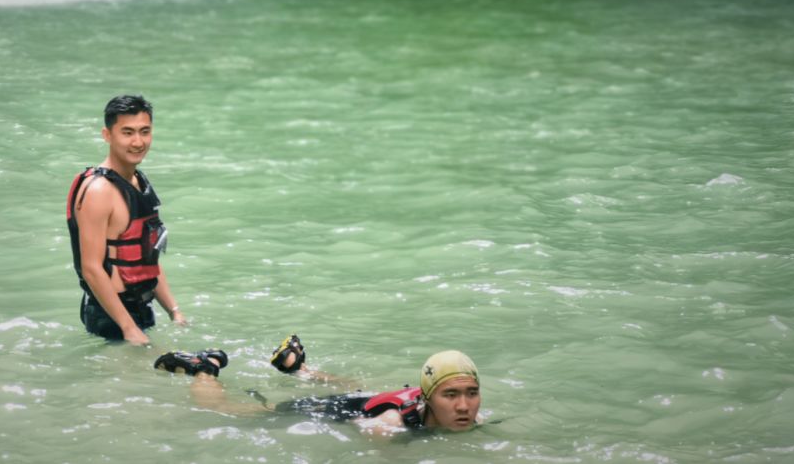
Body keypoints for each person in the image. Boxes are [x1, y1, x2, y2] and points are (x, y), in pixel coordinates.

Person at [153, 335, 482, 434]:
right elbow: (363, 433)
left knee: (359, 385)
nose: (464, 406)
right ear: (427, 397)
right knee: (227, 411)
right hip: (335, 410)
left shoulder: (470, 418)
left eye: (471, 393)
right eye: (450, 395)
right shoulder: (391, 426)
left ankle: (301, 370)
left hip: (369, 398)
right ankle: (204, 367)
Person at [66, 94, 187, 344]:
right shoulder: (99, 191)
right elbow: (91, 268)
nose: (138, 141)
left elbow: (145, 255)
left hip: (140, 310)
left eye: (145, 131)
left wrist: (174, 311)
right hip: (111, 318)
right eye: (128, 132)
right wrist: (128, 328)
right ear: (107, 135)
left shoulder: (138, 181)